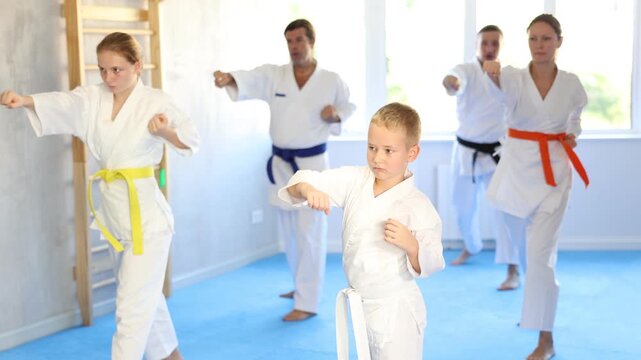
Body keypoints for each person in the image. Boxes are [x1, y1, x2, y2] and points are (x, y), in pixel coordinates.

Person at [1, 32, 200, 360]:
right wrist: (25, 100)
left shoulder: (157, 101)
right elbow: (64, 103)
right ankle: (171, 357)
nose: (108, 78)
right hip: (113, 216)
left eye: (117, 70)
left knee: (130, 310)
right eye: (103, 69)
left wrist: (165, 132)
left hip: (147, 221)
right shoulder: (93, 98)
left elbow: (191, 141)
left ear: (137, 66)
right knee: (144, 296)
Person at [213, 19, 355, 321]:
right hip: (280, 166)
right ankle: (299, 285)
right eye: (289, 41)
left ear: (311, 41)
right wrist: (229, 78)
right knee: (289, 233)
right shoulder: (276, 75)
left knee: (310, 234)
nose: (294, 47)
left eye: (299, 40)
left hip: (313, 167)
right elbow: (250, 78)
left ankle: (308, 302)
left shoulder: (331, 79)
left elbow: (348, 107)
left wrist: (335, 115)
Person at [279, 103, 445, 359]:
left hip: (396, 311)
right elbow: (301, 181)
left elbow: (433, 261)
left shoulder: (417, 205)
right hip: (361, 305)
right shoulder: (356, 180)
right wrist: (308, 190)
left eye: (389, 150)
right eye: (372, 148)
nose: (378, 158)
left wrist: (412, 245)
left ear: (412, 153)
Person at [482, 14, 589, 360]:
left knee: (542, 259)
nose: (539, 45)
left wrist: (573, 132)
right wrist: (493, 75)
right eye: (533, 39)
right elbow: (501, 99)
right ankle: (536, 304)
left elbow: (575, 115)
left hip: (555, 173)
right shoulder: (511, 75)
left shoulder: (571, 83)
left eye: (546, 39)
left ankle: (546, 339)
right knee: (530, 258)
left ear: (559, 41)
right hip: (516, 171)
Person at [442, 25, 520, 291]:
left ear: (501, 46)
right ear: (476, 45)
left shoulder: (509, 75)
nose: (489, 48)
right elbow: (455, 81)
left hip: (498, 152)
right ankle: (471, 246)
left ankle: (513, 268)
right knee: (462, 205)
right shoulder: (465, 70)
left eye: (494, 43)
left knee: (505, 210)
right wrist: (450, 83)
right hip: (466, 151)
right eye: (485, 43)